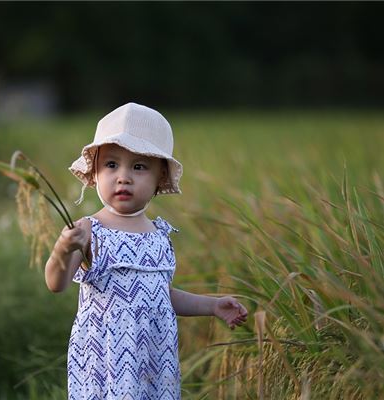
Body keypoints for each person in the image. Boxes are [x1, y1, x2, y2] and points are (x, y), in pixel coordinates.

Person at [44, 102, 248, 399]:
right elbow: (55, 283)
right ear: (95, 172)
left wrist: (212, 306)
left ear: (159, 179)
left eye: (139, 167)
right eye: (111, 165)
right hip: (107, 360)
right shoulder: (88, 230)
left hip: (153, 358)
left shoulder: (159, 235)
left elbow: (160, 296)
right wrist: (63, 249)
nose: (123, 177)